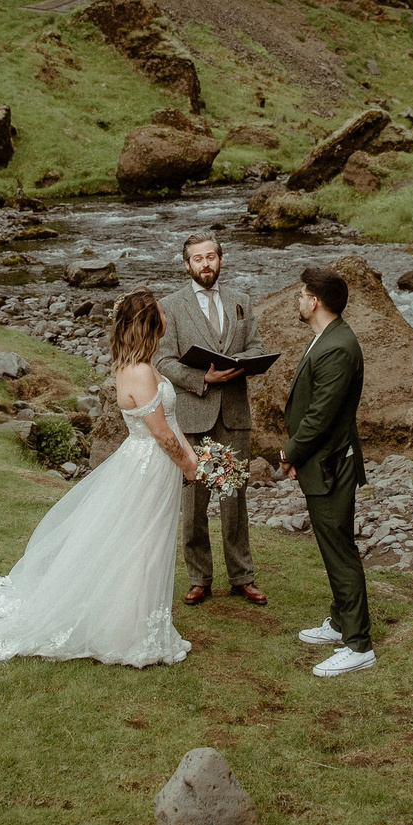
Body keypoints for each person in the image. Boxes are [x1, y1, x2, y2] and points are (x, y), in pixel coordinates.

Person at [0, 289, 195, 666]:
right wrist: (189, 465)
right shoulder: (140, 372)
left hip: (155, 464)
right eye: (162, 315)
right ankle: (130, 636)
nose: (168, 320)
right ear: (150, 324)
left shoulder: (142, 364)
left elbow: (171, 425)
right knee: (141, 545)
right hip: (149, 464)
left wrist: (195, 456)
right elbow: (160, 433)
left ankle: (139, 626)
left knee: (146, 543)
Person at [153, 232, 267, 606]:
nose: (206, 264)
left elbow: (256, 348)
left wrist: (243, 365)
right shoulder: (170, 306)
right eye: (198, 259)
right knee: (194, 502)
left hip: (234, 415)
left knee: (235, 499)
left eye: (211, 257)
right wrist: (201, 378)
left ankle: (242, 577)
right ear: (186, 265)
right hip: (193, 416)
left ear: (221, 259)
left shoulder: (241, 302)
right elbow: (162, 361)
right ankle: (199, 578)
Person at [278, 267, 374, 679]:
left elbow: (321, 415)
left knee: (339, 549)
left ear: (315, 301)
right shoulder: (328, 338)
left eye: (301, 294)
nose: (298, 300)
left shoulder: (338, 346)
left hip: (331, 463)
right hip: (325, 459)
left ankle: (358, 645)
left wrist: (290, 451)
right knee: (333, 542)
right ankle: (339, 623)